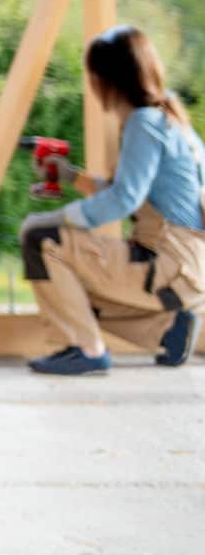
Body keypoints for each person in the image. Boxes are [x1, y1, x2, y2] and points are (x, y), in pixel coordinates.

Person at [21, 25, 205, 374]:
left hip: (165, 264)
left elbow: (124, 199)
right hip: (186, 269)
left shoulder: (143, 123)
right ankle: (167, 331)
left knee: (38, 238)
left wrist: (58, 219)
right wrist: (72, 175)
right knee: (67, 292)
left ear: (104, 80)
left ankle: (85, 350)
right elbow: (134, 194)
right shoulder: (172, 121)